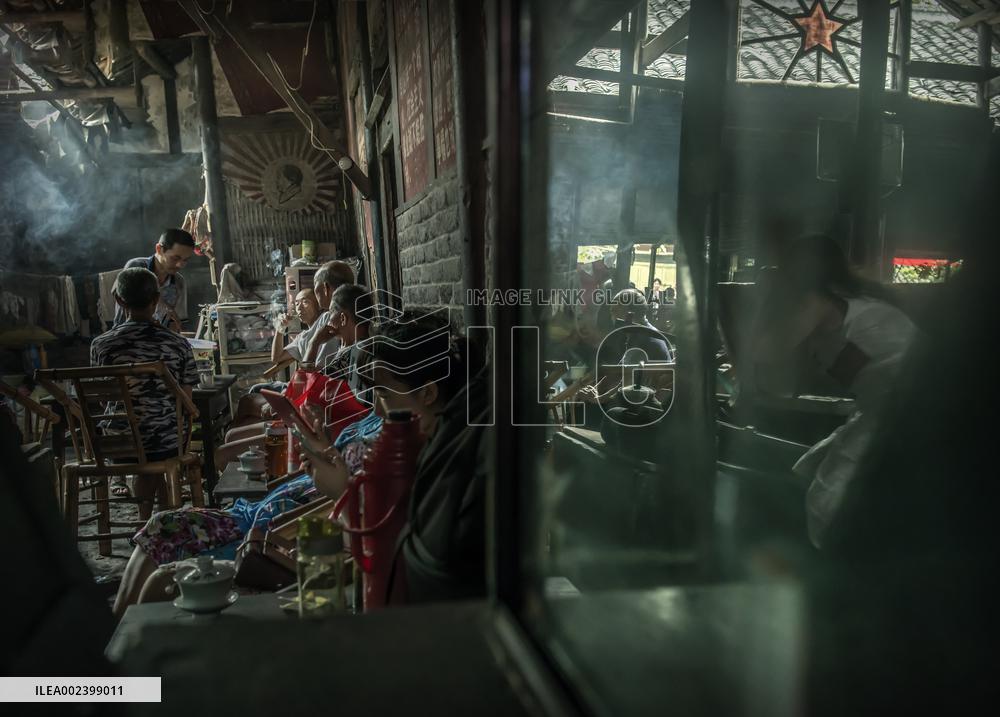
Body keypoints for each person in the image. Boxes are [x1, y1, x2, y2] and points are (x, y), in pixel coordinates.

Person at [111, 410, 383, 617]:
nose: (364, 369)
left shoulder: (394, 447)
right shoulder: (372, 418)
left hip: (277, 528)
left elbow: (363, 523)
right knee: (162, 523)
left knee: (161, 566)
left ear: (427, 394)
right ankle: (112, 649)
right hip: (260, 511)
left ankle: (114, 667)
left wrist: (336, 484)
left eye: (382, 385)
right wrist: (321, 448)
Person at [301, 311, 490, 603]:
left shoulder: (452, 462)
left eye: (384, 395)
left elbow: (392, 565)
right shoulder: (448, 440)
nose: (377, 410)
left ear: (427, 393)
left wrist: (343, 492)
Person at [749, 234, 918, 548]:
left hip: (902, 410)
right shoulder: (849, 303)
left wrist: (737, 304)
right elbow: (786, 382)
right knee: (808, 469)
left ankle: (837, 568)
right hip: (891, 407)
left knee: (826, 499)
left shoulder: (818, 303)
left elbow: (765, 353)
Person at [213, 284, 374, 468]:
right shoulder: (345, 348)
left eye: (330, 314)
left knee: (222, 454)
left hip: (317, 435)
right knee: (231, 435)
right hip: (305, 424)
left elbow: (303, 390)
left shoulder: (354, 354)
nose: (328, 320)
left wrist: (314, 344)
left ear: (343, 318)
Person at [91, 267, 199, 508]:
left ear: (118, 300)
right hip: (166, 443)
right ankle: (161, 521)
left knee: (143, 440)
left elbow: (101, 399)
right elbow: (186, 400)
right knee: (164, 442)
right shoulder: (178, 344)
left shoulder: (101, 345)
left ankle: (147, 521)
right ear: (156, 299)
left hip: (118, 445)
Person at [113, 229, 195, 332]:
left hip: (157, 340)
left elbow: (178, 322)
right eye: (175, 258)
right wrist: (164, 305)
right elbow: (126, 303)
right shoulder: (136, 267)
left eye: (185, 260)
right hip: (125, 335)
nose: (180, 265)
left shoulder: (179, 282)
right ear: (159, 249)